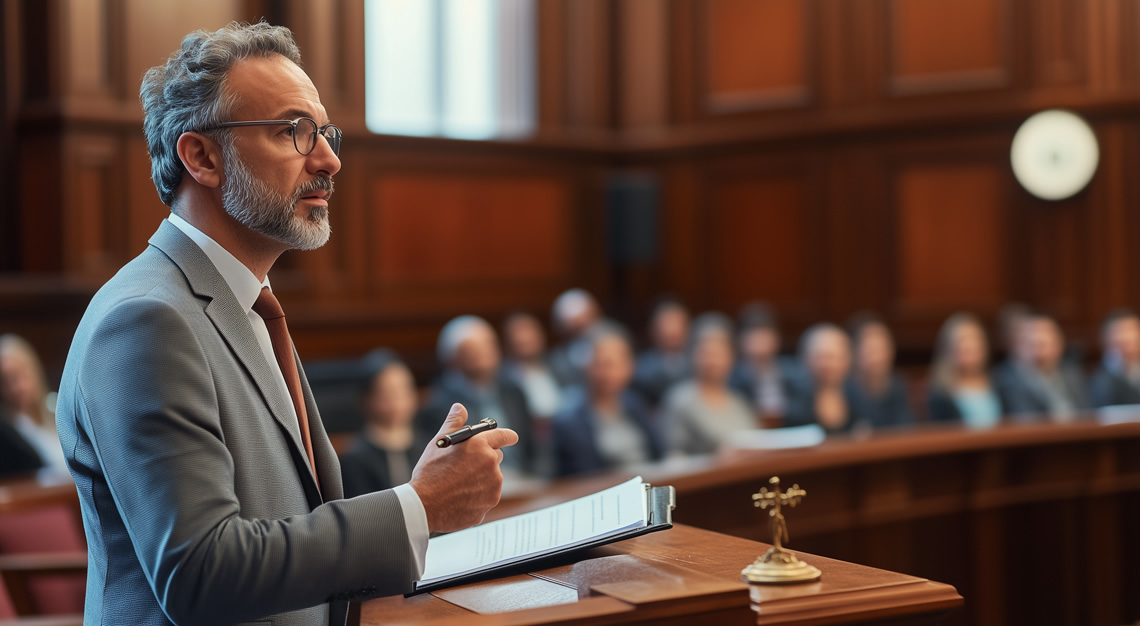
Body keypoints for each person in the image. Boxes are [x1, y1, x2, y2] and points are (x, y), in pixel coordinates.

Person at [55, 23, 517, 625]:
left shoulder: (244, 299)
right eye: (293, 132)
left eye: (324, 132)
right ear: (202, 157)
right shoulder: (146, 319)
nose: (329, 158)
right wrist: (417, 507)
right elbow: (202, 573)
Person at [419, 315, 536, 474]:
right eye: (471, 350)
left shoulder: (513, 390)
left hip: (527, 480)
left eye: (487, 345)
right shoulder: (439, 406)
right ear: (451, 358)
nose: (482, 354)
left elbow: (535, 445)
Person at [553, 323, 666, 477]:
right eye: (602, 364)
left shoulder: (635, 404)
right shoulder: (568, 421)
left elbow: (660, 455)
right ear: (585, 365)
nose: (610, 372)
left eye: (617, 363)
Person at [339, 350, 432, 498]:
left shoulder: (429, 447)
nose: (396, 402)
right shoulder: (355, 458)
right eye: (387, 394)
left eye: (403, 392)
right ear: (366, 399)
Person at [662, 313, 756, 455]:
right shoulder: (680, 400)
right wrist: (716, 458)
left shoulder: (739, 401)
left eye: (719, 353)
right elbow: (674, 457)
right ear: (692, 354)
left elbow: (757, 442)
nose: (712, 361)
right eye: (705, 353)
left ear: (731, 357)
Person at [994, 312, 1088, 421]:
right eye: (1033, 344)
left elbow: (1087, 413)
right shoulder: (1006, 379)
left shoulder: (1072, 373)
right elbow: (1027, 421)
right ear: (1018, 346)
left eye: (1045, 344)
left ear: (1060, 344)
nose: (1040, 353)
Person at [0, 334, 68, 475]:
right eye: (5, 381)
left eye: (19, 376)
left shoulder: (56, 409)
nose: (15, 388)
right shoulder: (7, 433)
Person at [926, 313, 1006, 428]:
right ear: (948, 347)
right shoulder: (940, 393)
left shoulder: (999, 382)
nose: (969, 346)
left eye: (975, 339)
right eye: (962, 340)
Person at [784, 324, 862, 434]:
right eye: (820, 357)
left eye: (833, 357)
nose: (827, 365)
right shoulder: (791, 403)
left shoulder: (860, 399)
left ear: (848, 359)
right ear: (805, 358)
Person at [729, 302, 799, 422]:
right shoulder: (732, 376)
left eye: (765, 338)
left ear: (777, 339)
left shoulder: (794, 372)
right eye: (755, 339)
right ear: (741, 341)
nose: (760, 346)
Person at [845, 314, 914, 430]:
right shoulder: (844, 389)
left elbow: (907, 426)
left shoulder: (898, 383)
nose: (879, 357)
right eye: (871, 350)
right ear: (854, 351)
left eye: (883, 348)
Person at [500, 311, 563, 420]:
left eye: (529, 331)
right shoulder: (503, 378)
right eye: (518, 332)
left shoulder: (559, 365)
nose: (525, 338)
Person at [632, 297, 690, 407]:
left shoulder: (696, 365)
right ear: (653, 329)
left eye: (678, 322)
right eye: (667, 322)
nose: (673, 330)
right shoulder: (640, 367)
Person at [548, 288, 602, 386]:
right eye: (570, 328)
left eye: (580, 326)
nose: (577, 333)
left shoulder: (612, 338)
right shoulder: (557, 359)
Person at [1089, 309, 1140, 407]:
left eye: (1130, 330)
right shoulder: (1094, 378)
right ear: (1104, 338)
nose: (1125, 337)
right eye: (1118, 331)